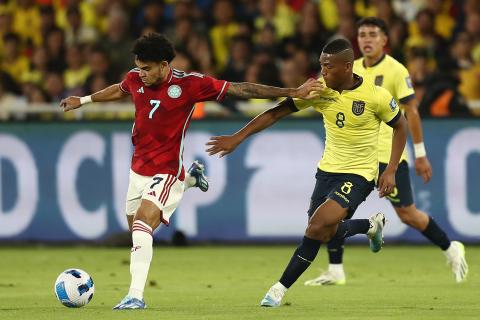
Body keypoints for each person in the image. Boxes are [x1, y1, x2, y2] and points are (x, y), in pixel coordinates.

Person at [60, 32, 322, 310]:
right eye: (138, 67)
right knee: (140, 232)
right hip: (137, 169)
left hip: (167, 169)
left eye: (147, 68)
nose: (141, 73)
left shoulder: (191, 84)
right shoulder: (135, 77)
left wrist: (291, 92)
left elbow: (240, 88)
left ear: (164, 65)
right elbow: (120, 88)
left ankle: (135, 296)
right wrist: (85, 99)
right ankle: (192, 179)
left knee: (140, 227)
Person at [206, 38, 408, 307]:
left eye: (328, 66)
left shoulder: (376, 96)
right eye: (321, 66)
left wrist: (391, 169)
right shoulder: (319, 90)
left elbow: (401, 126)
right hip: (326, 172)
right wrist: (238, 137)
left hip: (359, 175)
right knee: (323, 231)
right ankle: (370, 226)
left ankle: (278, 289)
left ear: (347, 67)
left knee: (316, 226)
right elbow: (276, 113)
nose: (323, 72)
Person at [304, 17, 468, 287]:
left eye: (373, 34)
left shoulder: (395, 70)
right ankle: (335, 269)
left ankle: (451, 248)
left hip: (388, 154)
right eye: (362, 35)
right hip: (357, 157)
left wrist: (420, 153)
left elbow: (411, 112)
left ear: (384, 40)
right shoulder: (348, 68)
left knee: (408, 214)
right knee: (335, 212)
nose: (366, 39)